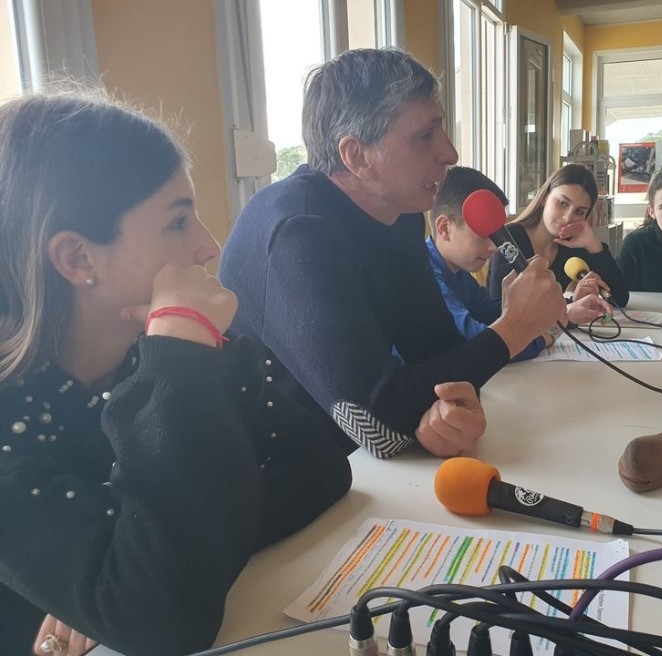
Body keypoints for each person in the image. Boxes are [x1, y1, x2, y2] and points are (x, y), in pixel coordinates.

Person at [0, 91, 352, 656]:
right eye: (177, 222)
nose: (208, 246)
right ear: (79, 259)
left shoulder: (157, 354)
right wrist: (139, 573)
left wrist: (134, 565)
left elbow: (320, 467)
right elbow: (165, 621)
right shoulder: (16, 421)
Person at [219, 48, 566, 460]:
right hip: (276, 473)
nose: (450, 153)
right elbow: (377, 423)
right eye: (425, 135)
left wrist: (444, 409)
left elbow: (436, 351)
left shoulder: (400, 215)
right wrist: (514, 328)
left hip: (356, 466)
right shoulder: (298, 234)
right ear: (357, 156)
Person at [426, 167, 611, 361]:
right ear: (445, 228)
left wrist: (564, 310)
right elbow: (484, 346)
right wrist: (547, 336)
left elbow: (492, 314)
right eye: (483, 234)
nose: (494, 247)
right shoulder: (425, 280)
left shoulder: (457, 274)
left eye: (496, 236)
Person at [486, 163, 630, 308]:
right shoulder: (509, 238)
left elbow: (620, 299)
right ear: (545, 197)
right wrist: (569, 306)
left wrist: (594, 246)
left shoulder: (575, 246)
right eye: (562, 203)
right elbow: (502, 307)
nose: (568, 217)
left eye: (579, 212)